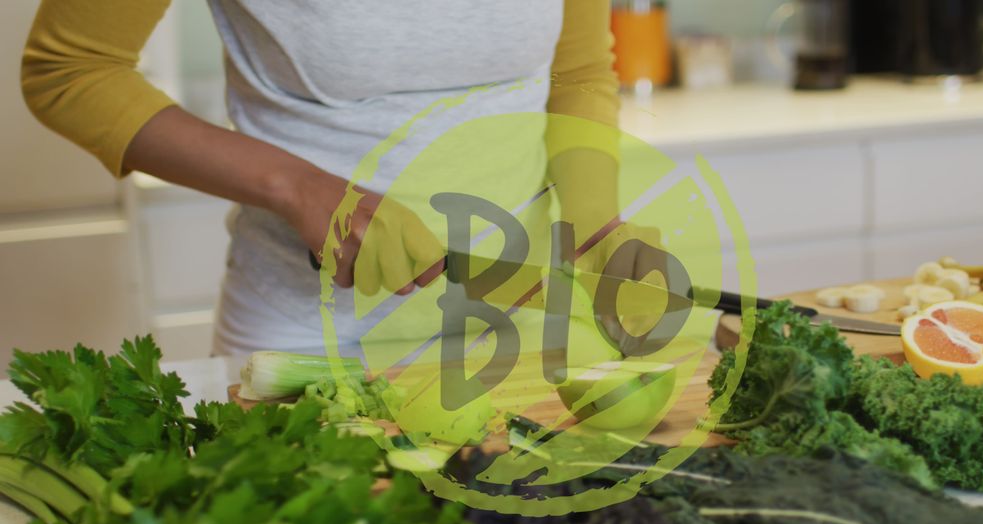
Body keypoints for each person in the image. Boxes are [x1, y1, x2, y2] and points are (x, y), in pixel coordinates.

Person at [22, 1, 646, 357]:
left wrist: (593, 223)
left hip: (518, 329)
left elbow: (579, 70)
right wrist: (296, 187)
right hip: (307, 341)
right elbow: (72, 70)